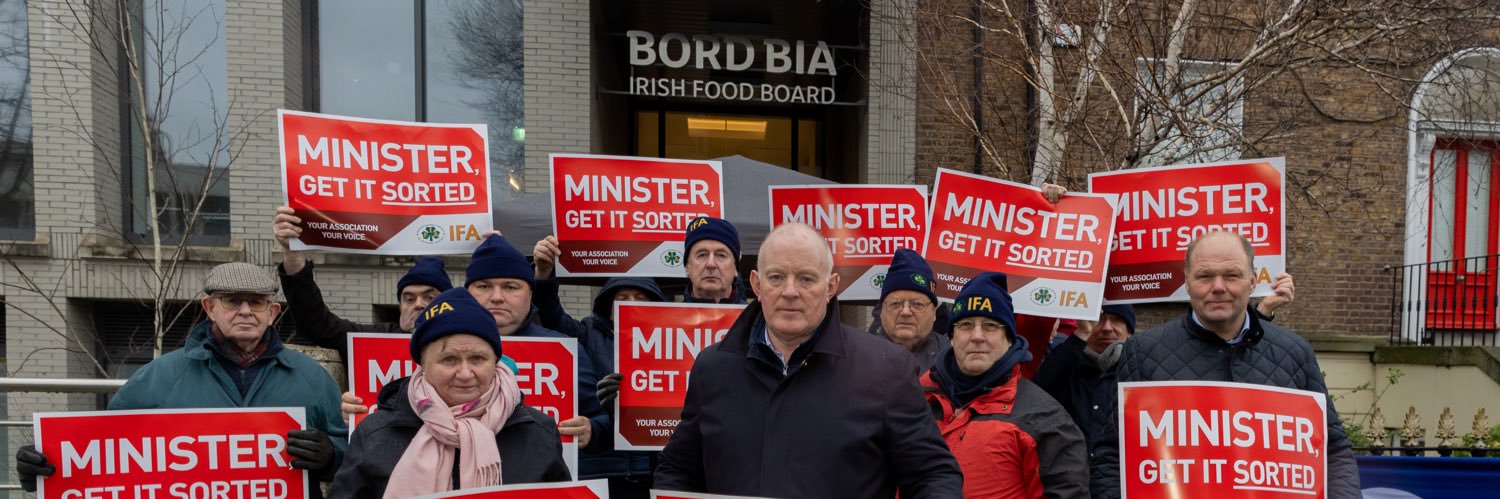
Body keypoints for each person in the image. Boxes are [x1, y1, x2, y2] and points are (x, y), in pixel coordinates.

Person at [655, 223, 962, 498]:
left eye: (806, 279)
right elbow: (677, 470)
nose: (790, 292)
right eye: (777, 277)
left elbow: (933, 475)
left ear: (830, 287)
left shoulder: (884, 369)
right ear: (757, 285)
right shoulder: (714, 368)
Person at [16, 263, 348, 495]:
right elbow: (101, 456)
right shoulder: (160, 376)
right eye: (232, 300)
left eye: (257, 302)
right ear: (209, 307)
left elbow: (352, 459)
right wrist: (46, 469)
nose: (246, 310)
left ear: (273, 312)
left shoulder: (311, 378)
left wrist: (329, 456)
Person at [1088, 231, 1358, 498]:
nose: (1218, 287)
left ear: (1252, 281)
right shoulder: (1143, 351)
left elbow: (1332, 451)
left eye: (1232, 275)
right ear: (1187, 283)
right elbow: (1113, 454)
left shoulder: (1294, 353)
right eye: (1205, 276)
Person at [329, 288, 571, 496]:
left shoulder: (538, 432)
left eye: (478, 359)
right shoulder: (375, 433)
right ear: (422, 364)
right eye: (449, 360)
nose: (465, 373)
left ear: (495, 361)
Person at [923, 272, 1089, 498]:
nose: (977, 336)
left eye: (990, 326)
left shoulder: (1046, 419)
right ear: (952, 336)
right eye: (966, 325)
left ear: (1009, 338)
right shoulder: (916, 399)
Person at [533, 234, 667, 498]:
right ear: (608, 307)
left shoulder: (670, 341)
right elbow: (550, 316)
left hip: (656, 471)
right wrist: (544, 275)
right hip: (603, 470)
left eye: (640, 297)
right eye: (623, 297)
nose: (631, 303)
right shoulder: (585, 333)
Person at [273, 205, 453, 357]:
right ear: (399, 307)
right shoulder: (377, 339)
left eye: (430, 298)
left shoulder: (471, 340)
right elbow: (317, 325)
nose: (419, 305)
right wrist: (293, 254)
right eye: (409, 299)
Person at [1033, 304, 1136, 449]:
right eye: (1099, 319)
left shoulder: (1140, 371)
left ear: (1130, 331)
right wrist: (1081, 334)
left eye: (1117, 320)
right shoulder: (1067, 363)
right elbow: (1040, 397)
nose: (1107, 327)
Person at [873, 248, 948, 372]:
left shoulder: (952, 359)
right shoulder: (858, 358)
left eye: (917, 304)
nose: (906, 312)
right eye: (896, 303)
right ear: (882, 312)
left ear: (934, 312)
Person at [681, 216, 747, 304]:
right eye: (702, 255)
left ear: (735, 268)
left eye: (721, 255)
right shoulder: (668, 317)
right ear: (687, 267)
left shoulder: (755, 317)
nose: (711, 264)